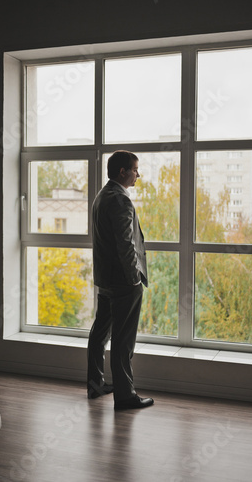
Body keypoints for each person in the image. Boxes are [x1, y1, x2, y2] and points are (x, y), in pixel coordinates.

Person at [87, 150, 154, 410]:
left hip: (105, 279)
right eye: (135, 169)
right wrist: (133, 279)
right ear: (123, 172)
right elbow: (126, 245)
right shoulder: (121, 200)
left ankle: (95, 384)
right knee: (123, 340)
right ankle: (125, 396)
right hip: (123, 282)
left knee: (100, 332)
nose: (138, 174)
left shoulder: (102, 196)